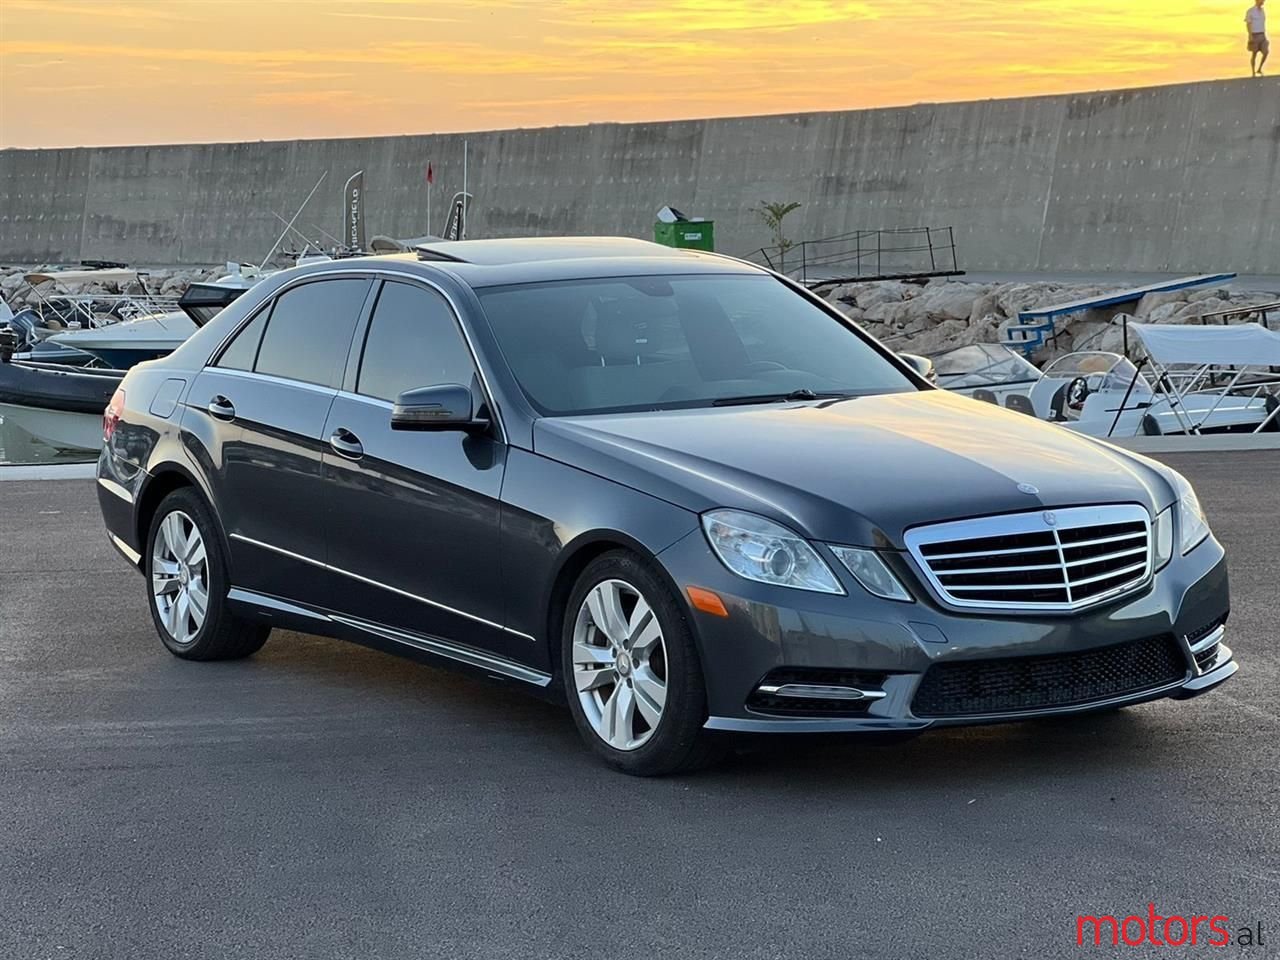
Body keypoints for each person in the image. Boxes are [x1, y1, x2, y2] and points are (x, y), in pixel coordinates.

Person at [1247, 0, 1269, 76]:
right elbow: (1248, 24)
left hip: (1262, 34)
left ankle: (1259, 68)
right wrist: (1250, 36)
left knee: (1266, 52)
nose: (1263, 1)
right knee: (1254, 54)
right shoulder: (1251, 11)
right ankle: (1253, 71)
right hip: (1254, 35)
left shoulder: (1263, 11)